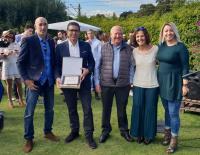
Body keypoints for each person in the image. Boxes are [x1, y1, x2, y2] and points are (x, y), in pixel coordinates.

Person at [17, 17, 59, 153]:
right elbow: (20, 62)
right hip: (34, 82)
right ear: (35, 26)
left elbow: (54, 62)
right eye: (40, 24)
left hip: (49, 81)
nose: (43, 27)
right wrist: (26, 80)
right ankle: (29, 138)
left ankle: (48, 131)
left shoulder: (52, 41)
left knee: (50, 110)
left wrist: (56, 77)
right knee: (29, 112)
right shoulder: (28, 41)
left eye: (45, 24)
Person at [55, 22, 97, 149]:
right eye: (71, 30)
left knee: (87, 109)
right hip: (67, 83)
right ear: (66, 32)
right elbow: (56, 66)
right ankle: (74, 131)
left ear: (79, 32)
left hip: (84, 82)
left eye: (76, 30)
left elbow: (92, 63)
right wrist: (57, 77)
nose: (74, 33)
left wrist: (87, 70)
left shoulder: (85, 45)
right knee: (72, 109)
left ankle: (89, 135)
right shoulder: (60, 47)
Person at [95, 25, 134, 143]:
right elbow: (97, 67)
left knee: (122, 109)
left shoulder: (129, 49)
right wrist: (96, 83)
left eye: (119, 33)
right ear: (110, 35)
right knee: (106, 109)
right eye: (115, 33)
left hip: (123, 84)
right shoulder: (102, 47)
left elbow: (132, 66)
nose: (117, 36)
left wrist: (131, 80)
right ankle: (105, 130)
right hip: (106, 84)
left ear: (123, 35)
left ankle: (124, 130)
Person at [157, 22, 189, 153]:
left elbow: (185, 67)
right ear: (162, 33)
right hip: (162, 82)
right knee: (166, 110)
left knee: (173, 113)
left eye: (170, 31)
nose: (168, 33)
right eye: (166, 31)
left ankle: (174, 141)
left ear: (174, 31)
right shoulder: (161, 46)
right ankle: (167, 134)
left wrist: (185, 85)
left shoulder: (181, 47)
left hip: (174, 83)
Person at [129, 27, 159, 145]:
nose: (140, 38)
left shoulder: (156, 49)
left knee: (150, 110)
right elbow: (131, 67)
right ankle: (138, 134)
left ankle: (149, 135)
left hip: (153, 84)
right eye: (137, 36)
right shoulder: (134, 51)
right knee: (138, 109)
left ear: (146, 36)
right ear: (135, 38)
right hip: (138, 84)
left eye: (142, 36)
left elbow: (163, 63)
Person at [1, 30, 25, 108]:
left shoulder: (16, 44)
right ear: (5, 37)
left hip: (15, 65)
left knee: (18, 82)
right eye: (8, 36)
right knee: (9, 84)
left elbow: (21, 55)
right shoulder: (2, 45)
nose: (10, 38)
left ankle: (21, 100)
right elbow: (0, 56)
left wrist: (17, 53)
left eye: (11, 36)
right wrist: (5, 54)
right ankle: (10, 101)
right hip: (7, 65)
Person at [86, 29, 101, 100]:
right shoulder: (85, 43)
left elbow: (100, 54)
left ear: (93, 33)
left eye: (91, 33)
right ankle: (87, 93)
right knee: (88, 78)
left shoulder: (98, 42)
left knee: (96, 78)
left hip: (96, 63)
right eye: (88, 33)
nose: (90, 35)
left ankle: (96, 94)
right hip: (87, 63)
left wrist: (98, 64)